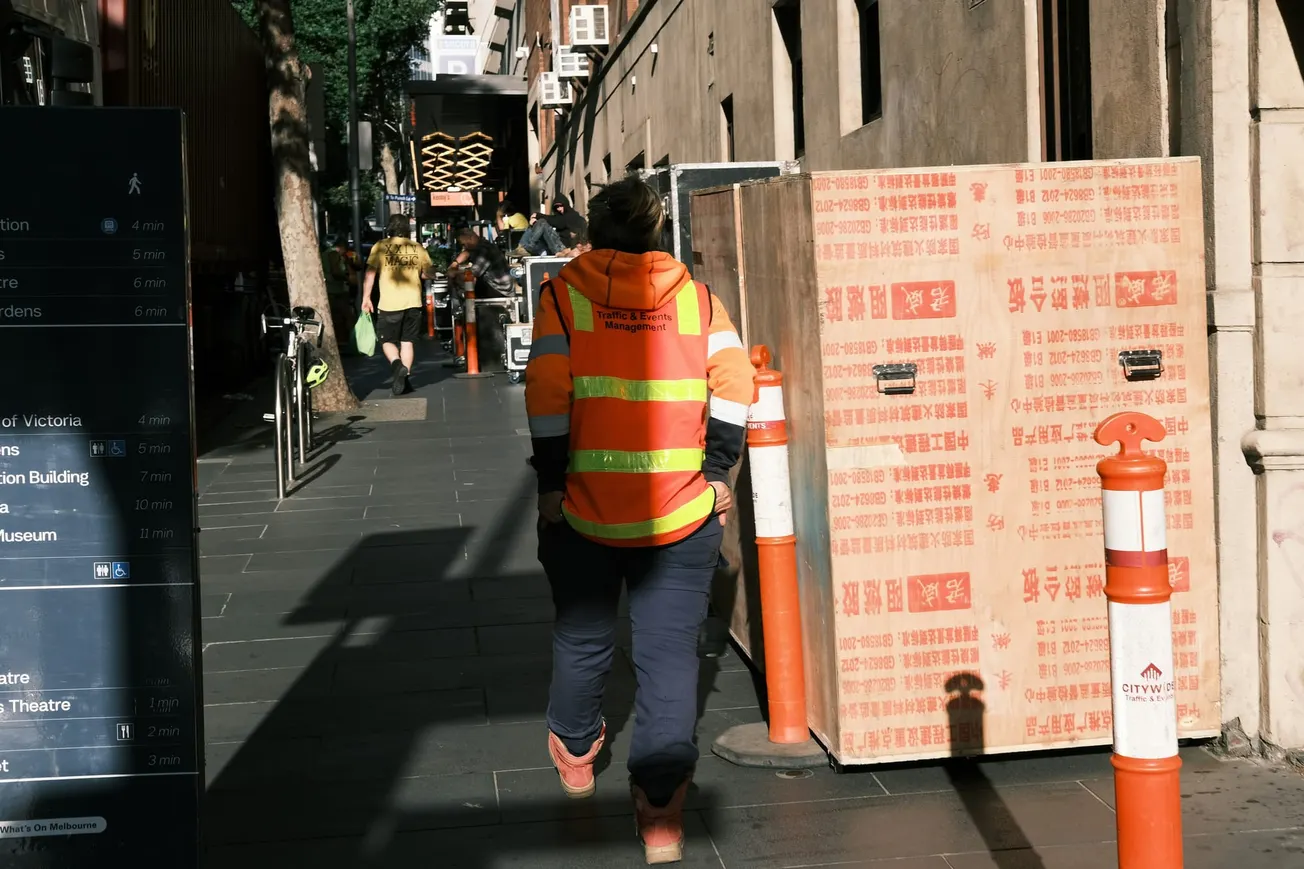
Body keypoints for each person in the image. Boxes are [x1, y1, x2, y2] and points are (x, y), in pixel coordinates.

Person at [524, 177, 754, 865]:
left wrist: (551, 485)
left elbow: (547, 392)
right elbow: (736, 383)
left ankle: (575, 752)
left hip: (585, 512)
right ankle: (661, 819)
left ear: (592, 231)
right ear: (658, 232)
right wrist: (717, 473)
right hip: (680, 515)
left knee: (584, 638)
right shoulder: (698, 300)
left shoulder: (563, 298)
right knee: (668, 660)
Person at [362, 213, 433, 395]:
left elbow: (370, 273)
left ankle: (396, 364)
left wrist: (366, 297)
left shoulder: (380, 247)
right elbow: (427, 274)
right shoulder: (417, 247)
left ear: (389, 227)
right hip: (413, 302)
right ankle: (405, 378)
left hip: (389, 303)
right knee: (407, 342)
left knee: (386, 340)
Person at [447, 227, 515, 370]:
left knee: (464, 288)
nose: (464, 248)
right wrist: (455, 264)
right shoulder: (480, 246)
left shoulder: (484, 250)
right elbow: (466, 254)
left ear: (470, 238)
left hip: (499, 289)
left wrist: (455, 272)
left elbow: (474, 273)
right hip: (496, 286)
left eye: (464, 244)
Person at [321, 238, 356, 354]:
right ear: (341, 248)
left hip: (331, 289)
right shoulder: (333, 254)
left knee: (337, 317)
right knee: (344, 316)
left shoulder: (326, 254)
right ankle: (349, 342)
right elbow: (336, 271)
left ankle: (342, 342)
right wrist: (347, 278)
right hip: (335, 290)